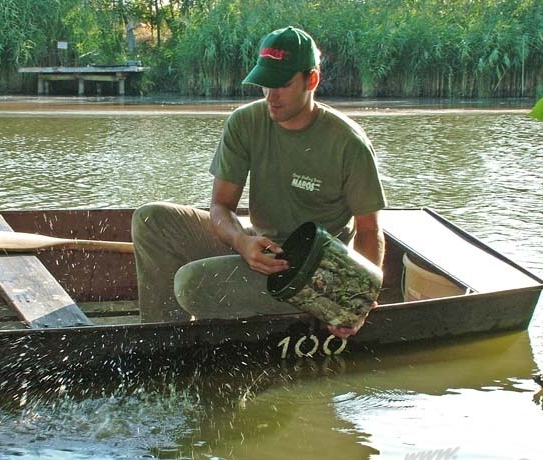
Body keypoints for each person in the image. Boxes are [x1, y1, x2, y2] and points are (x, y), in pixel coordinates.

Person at [132, 26, 386, 337]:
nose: (271, 95)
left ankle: (296, 309)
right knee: (151, 218)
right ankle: (160, 346)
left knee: (191, 284)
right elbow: (220, 206)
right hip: (260, 244)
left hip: (311, 271)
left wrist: (354, 302)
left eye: (282, 84)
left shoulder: (348, 143)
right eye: (265, 83)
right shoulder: (244, 122)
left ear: (312, 80)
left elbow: (370, 230)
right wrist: (242, 242)